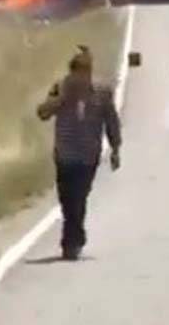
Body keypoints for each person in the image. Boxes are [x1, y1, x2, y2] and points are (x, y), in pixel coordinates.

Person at [37, 45, 121, 261]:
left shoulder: (102, 92)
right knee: (67, 200)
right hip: (64, 154)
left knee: (79, 197)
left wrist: (115, 149)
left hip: (88, 155)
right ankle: (74, 237)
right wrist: (60, 99)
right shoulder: (60, 88)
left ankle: (71, 242)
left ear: (89, 72)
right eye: (76, 72)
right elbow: (43, 113)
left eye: (84, 71)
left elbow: (111, 121)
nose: (79, 77)